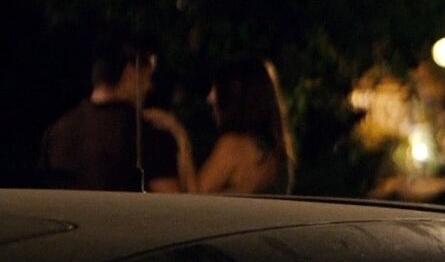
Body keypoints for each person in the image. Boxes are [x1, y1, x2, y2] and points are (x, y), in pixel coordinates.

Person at [38, 34, 183, 192]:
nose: (150, 87)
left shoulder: (56, 133)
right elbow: (172, 204)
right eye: (149, 75)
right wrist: (180, 138)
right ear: (131, 72)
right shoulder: (148, 135)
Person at [158, 57, 295, 194]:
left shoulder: (233, 146)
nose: (210, 97)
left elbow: (195, 200)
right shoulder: (276, 153)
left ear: (235, 94)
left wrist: (180, 137)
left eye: (217, 88)